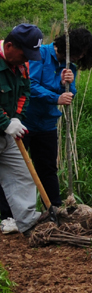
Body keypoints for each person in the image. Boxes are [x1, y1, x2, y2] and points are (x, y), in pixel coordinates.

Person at [24, 27, 92, 209]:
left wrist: (68, 84)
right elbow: (30, 85)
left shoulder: (69, 66)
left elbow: (69, 95)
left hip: (47, 124)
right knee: (19, 170)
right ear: (70, 46)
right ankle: (13, 214)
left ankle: (54, 211)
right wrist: (56, 98)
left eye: (84, 54)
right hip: (25, 121)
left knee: (48, 169)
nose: (80, 57)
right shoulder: (40, 54)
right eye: (80, 51)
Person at [0, 24, 44, 237]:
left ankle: (29, 223)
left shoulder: (21, 65)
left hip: (6, 133)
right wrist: (5, 122)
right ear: (9, 46)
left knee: (22, 174)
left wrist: (17, 117)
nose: (26, 60)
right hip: (4, 127)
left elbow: (25, 92)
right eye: (24, 54)